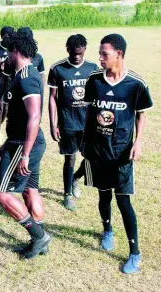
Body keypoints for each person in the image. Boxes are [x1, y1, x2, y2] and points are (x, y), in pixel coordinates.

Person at [82, 34, 153, 274]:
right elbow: (90, 114)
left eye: (105, 54)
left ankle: (135, 253)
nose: (100, 58)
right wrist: (87, 145)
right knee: (104, 196)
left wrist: (139, 141)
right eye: (99, 54)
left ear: (119, 54)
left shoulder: (136, 83)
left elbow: (141, 113)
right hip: (100, 152)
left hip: (123, 153)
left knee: (124, 201)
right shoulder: (94, 80)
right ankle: (107, 230)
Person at [0, 32, 52, 260]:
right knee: (29, 189)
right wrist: (6, 142)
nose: (5, 56)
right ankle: (40, 241)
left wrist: (24, 153)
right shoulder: (25, 74)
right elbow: (19, 117)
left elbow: (34, 116)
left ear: (16, 51)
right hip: (22, 141)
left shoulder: (27, 77)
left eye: (8, 52)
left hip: (24, 145)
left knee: (0, 193)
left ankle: (39, 236)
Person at [47, 34, 98, 211]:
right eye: (73, 52)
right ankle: (67, 194)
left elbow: (97, 97)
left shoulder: (92, 69)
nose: (77, 56)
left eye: (80, 52)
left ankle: (76, 178)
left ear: (85, 49)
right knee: (70, 159)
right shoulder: (57, 69)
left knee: (92, 158)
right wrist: (53, 124)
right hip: (67, 122)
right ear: (67, 49)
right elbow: (52, 98)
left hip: (88, 123)